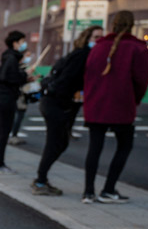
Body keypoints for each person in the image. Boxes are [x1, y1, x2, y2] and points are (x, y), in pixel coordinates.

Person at [81, 10, 148, 204]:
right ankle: (109, 189)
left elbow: (88, 75)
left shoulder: (98, 47)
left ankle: (88, 191)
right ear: (132, 25)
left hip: (96, 104)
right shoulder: (137, 48)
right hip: (121, 103)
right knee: (124, 145)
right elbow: (142, 79)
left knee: (94, 148)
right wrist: (134, 99)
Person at [32, 25, 102, 196]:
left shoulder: (79, 54)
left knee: (60, 142)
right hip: (57, 103)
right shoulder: (83, 55)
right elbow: (66, 80)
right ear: (87, 38)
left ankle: (41, 179)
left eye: (101, 37)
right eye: (96, 37)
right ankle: (40, 181)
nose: (98, 41)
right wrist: (68, 100)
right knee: (56, 143)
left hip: (56, 102)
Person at [0, 30, 31, 175]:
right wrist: (24, 75)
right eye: (22, 41)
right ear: (15, 43)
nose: (24, 44)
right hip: (7, 98)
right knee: (4, 132)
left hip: (3, 97)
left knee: (0, 131)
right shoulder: (11, 58)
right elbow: (7, 77)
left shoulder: (8, 57)